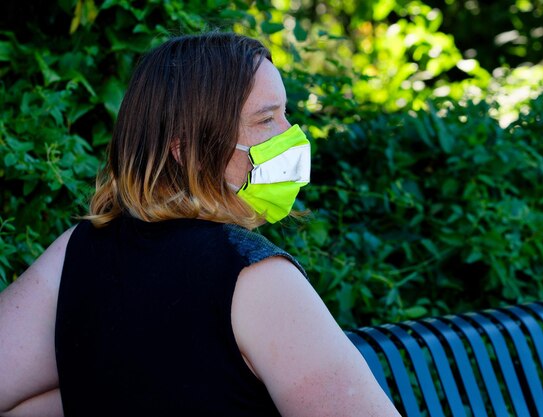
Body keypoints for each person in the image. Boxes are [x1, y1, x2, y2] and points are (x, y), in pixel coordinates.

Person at [0, 32, 400, 416]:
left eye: (285, 114)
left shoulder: (77, 248)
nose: (291, 136)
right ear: (186, 147)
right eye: (265, 121)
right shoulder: (257, 277)